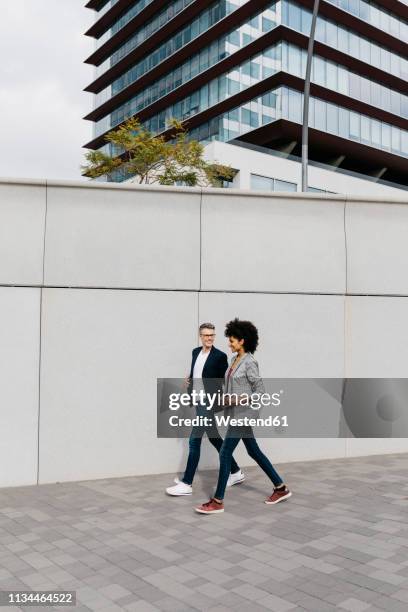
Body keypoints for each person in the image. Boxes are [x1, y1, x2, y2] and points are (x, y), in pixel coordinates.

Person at [195, 318, 291, 514]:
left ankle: (218, 501)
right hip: (235, 413)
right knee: (253, 451)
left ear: (242, 341)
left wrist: (236, 400)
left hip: (245, 414)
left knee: (224, 453)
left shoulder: (250, 362)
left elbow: (260, 392)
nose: (229, 344)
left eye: (232, 340)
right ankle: (280, 488)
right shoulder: (233, 360)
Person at [166, 322, 244, 496]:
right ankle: (236, 472)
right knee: (216, 439)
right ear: (200, 336)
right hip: (199, 400)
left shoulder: (219, 356)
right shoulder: (195, 352)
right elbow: (198, 371)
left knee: (194, 441)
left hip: (208, 402)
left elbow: (227, 378)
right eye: (206, 335)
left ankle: (187, 483)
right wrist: (189, 379)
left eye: (212, 335)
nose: (209, 338)